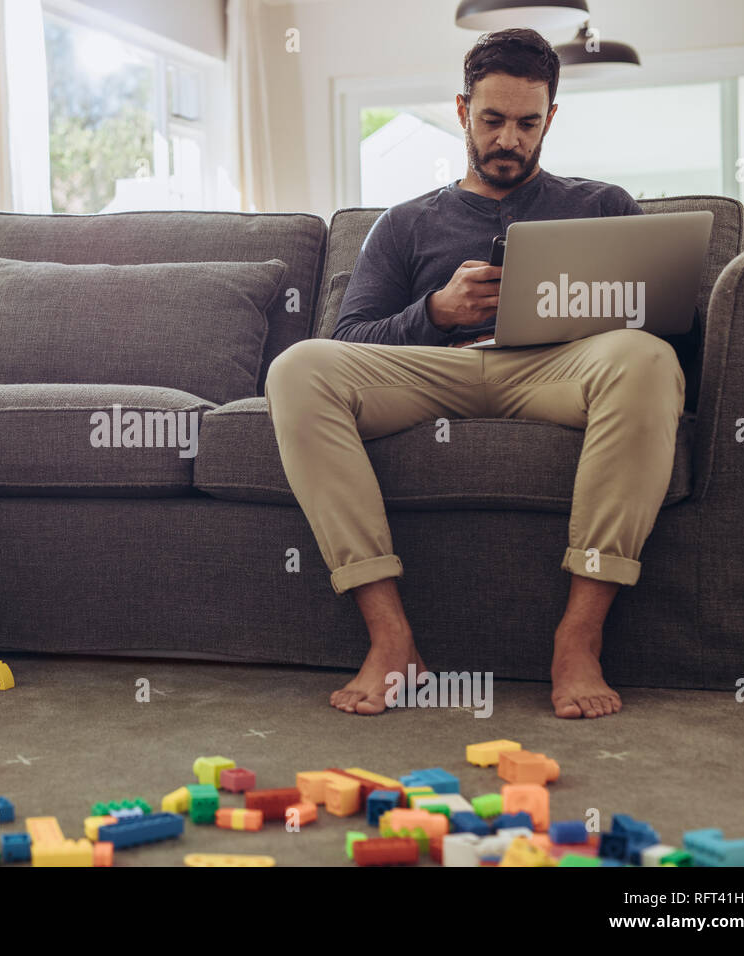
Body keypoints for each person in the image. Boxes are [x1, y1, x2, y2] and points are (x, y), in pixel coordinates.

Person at [264, 28, 694, 719]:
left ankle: (578, 639)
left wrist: (591, 317)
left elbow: (668, 332)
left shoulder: (602, 205)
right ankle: (391, 638)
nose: (508, 139)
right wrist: (434, 310)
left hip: (559, 373)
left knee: (647, 359)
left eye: (527, 123)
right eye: (492, 120)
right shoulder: (403, 225)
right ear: (462, 111)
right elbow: (348, 339)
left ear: (550, 118)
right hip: (437, 370)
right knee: (297, 369)